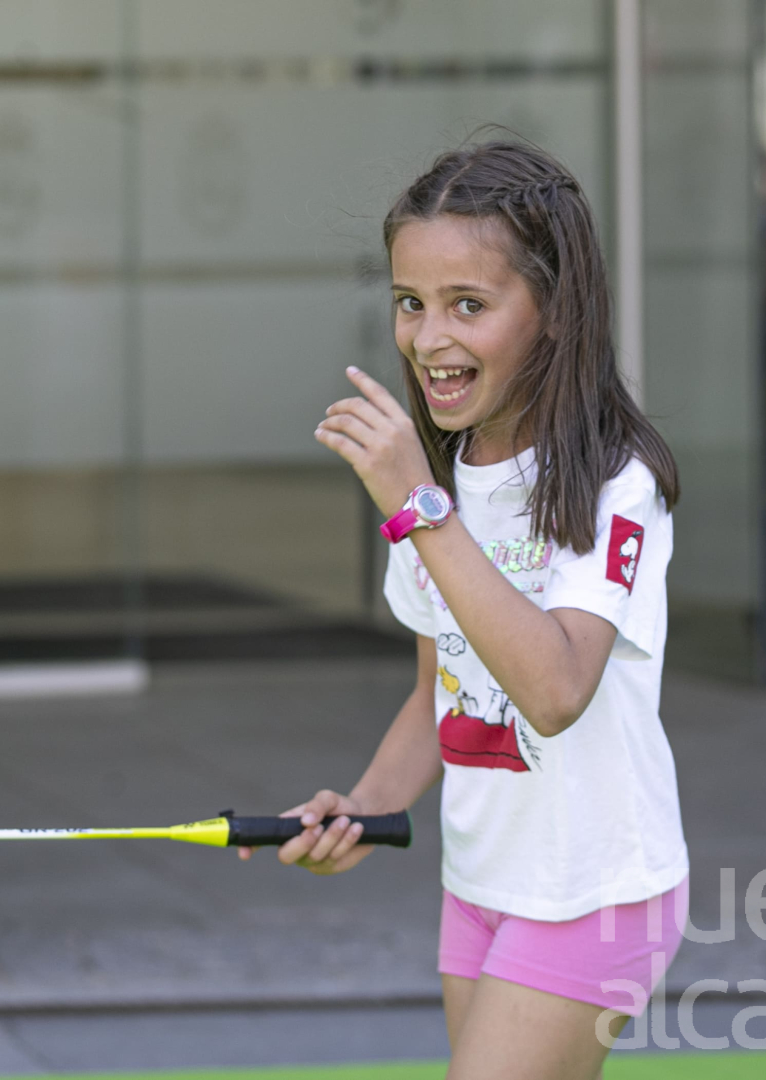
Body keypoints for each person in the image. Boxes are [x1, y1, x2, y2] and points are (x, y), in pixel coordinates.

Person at [240, 140, 690, 1079]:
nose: (429, 337)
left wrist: (417, 508)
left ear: (556, 312)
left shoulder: (616, 483)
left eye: (468, 306)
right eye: (411, 302)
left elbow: (556, 690)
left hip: (592, 890)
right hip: (480, 883)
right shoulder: (439, 485)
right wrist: (363, 809)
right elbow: (438, 691)